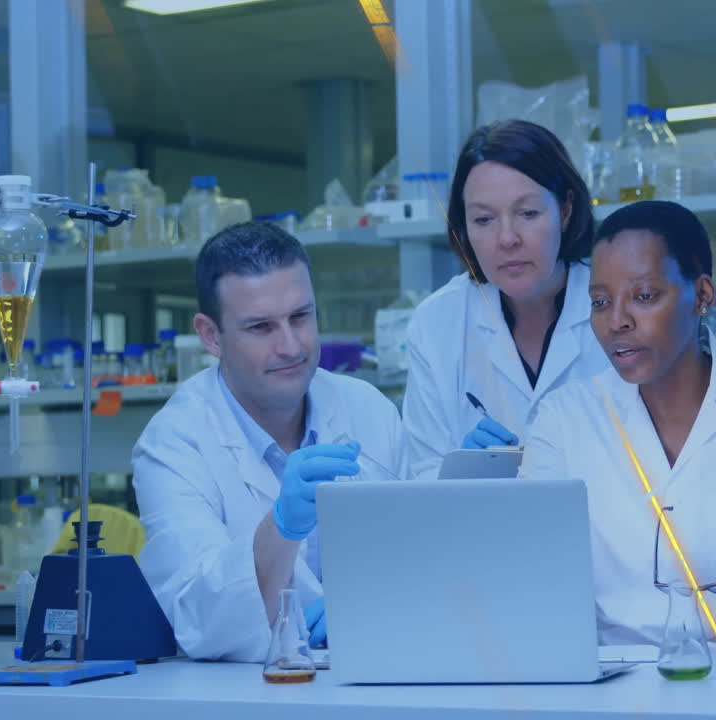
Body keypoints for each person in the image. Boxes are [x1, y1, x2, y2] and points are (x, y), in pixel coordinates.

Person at [518, 200, 716, 645]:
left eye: (644, 296)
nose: (617, 321)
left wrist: (619, 611)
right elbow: (535, 588)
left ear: (703, 296)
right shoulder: (563, 422)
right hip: (608, 695)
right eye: (600, 302)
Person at [134, 222, 408, 662]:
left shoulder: (367, 410)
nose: (290, 346)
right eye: (261, 327)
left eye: (301, 316)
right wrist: (280, 527)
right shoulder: (174, 444)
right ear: (210, 336)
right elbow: (198, 618)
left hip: (375, 677)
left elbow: (417, 566)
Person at [403, 120, 612, 481]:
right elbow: (421, 473)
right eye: (483, 219)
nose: (507, 238)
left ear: (564, 210)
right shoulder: (438, 321)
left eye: (528, 213)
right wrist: (459, 472)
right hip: (482, 532)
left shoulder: (618, 304)